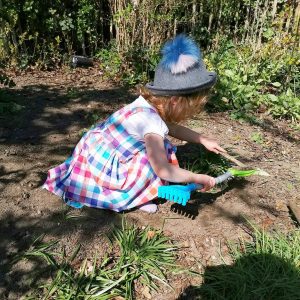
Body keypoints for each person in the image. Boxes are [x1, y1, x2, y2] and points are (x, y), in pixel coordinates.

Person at [43, 34, 226, 213]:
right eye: (191, 109)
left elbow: (173, 128)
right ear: (176, 101)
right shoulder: (152, 124)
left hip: (94, 153)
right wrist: (197, 177)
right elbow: (162, 169)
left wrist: (202, 139)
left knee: (158, 150)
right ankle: (133, 199)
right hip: (107, 170)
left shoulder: (146, 105)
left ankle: (136, 191)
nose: (190, 114)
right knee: (156, 158)